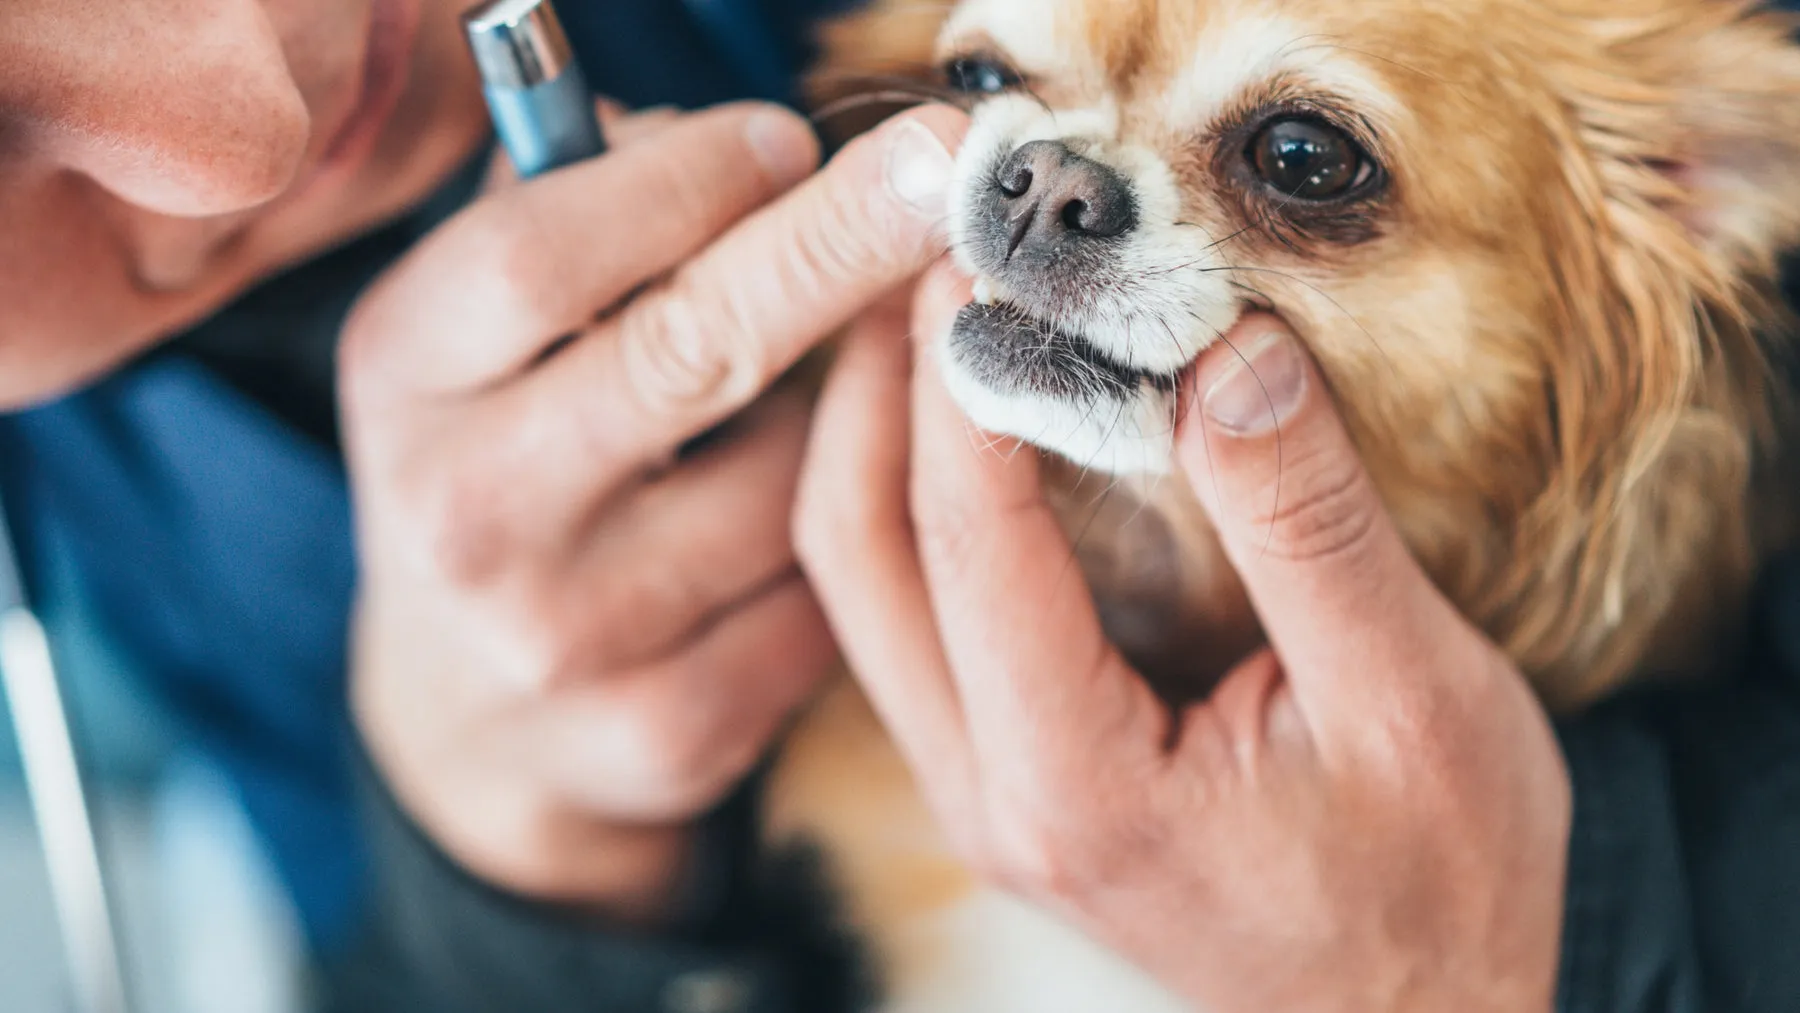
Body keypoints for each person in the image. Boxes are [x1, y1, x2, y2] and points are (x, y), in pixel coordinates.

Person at [0, 2, 1794, 1012]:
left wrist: (1578, 924)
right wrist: (498, 883)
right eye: (984, 77)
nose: (240, 124)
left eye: (1302, 164)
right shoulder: (136, 513)